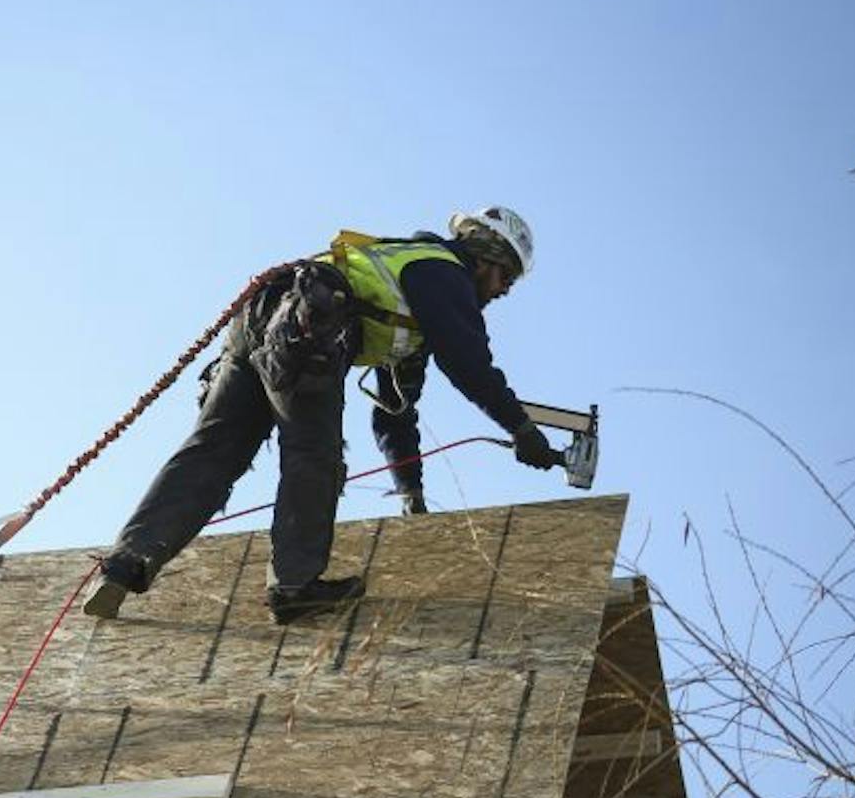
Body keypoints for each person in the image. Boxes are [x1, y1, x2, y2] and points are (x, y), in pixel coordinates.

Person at [82, 205, 565, 624]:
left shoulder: (407, 280)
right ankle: (294, 588)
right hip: (306, 331)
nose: (503, 291)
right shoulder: (444, 275)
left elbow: (395, 412)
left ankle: (124, 565)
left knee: (211, 452)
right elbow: (469, 364)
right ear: (486, 257)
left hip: (261, 322)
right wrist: (522, 430)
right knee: (315, 455)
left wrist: (410, 493)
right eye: (505, 277)